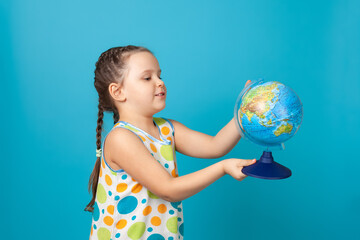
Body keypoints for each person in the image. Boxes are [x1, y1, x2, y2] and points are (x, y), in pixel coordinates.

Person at [85, 45, 256, 240]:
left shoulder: (168, 129)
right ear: (118, 92)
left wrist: (244, 112)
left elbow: (216, 145)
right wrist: (223, 168)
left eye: (160, 75)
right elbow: (168, 189)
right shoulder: (121, 138)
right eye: (147, 78)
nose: (160, 82)